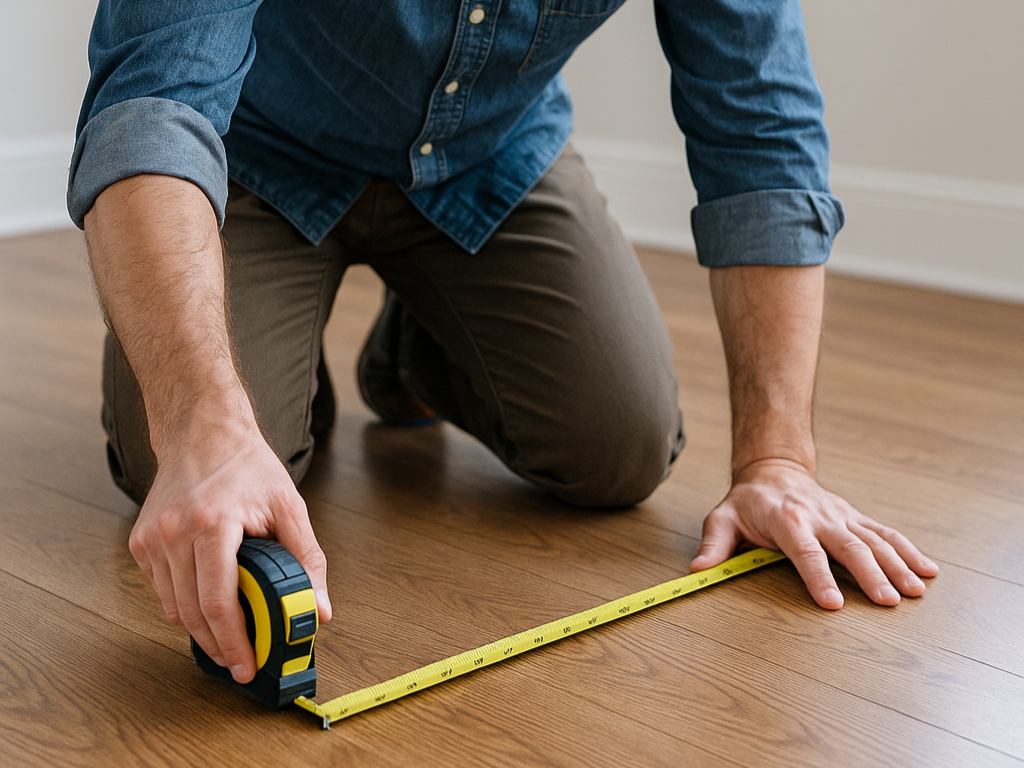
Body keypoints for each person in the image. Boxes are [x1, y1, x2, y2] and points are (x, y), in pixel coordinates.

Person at [68, 0, 938, 686]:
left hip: (483, 158)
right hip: (253, 156)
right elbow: (153, 102)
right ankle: (268, 376)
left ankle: (416, 347)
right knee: (174, 468)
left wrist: (778, 461)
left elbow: (760, 128)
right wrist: (202, 424)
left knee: (620, 449)